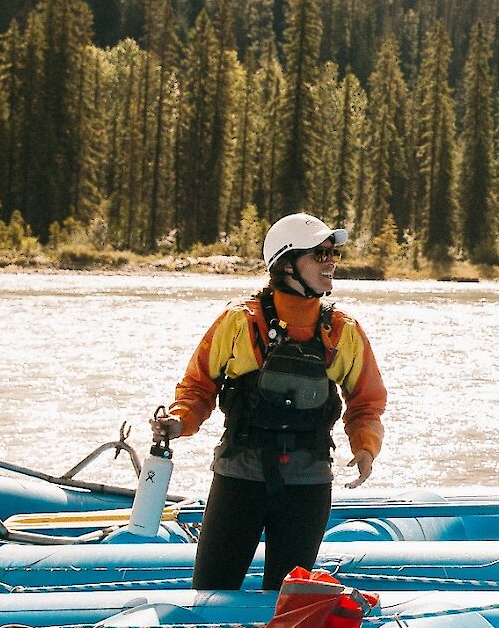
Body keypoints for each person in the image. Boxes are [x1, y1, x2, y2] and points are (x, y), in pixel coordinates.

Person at [155, 213, 387, 591]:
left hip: (307, 481)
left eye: (333, 254)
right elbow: (198, 387)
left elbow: (366, 402)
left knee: (288, 596)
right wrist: (179, 421)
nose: (330, 263)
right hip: (239, 475)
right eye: (319, 254)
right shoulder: (238, 321)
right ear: (286, 263)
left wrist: (365, 447)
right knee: (211, 587)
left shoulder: (342, 329)